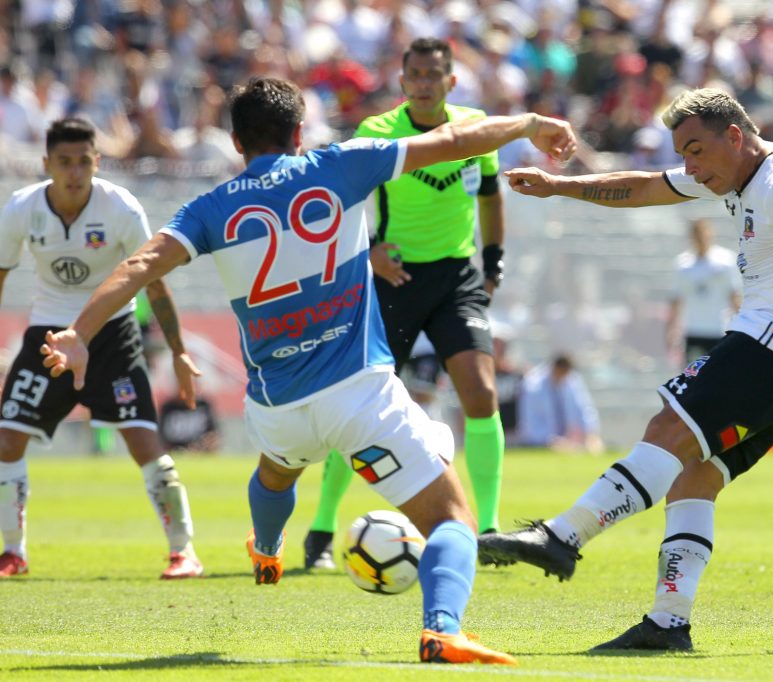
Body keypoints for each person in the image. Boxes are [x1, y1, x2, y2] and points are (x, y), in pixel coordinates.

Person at [41, 77, 575, 664]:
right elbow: (452, 139)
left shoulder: (210, 208)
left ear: (237, 143)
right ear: (299, 134)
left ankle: (267, 547)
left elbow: (142, 262)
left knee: (275, 472)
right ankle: (441, 629)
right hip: (358, 395)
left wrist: (79, 333)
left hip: (277, 408)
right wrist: (526, 124)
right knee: (452, 519)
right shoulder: (342, 164)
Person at [478, 88, 773, 652]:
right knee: (697, 477)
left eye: (695, 151)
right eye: (683, 154)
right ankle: (669, 624)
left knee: (668, 430)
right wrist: (557, 186)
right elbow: (644, 187)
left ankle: (561, 537)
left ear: (734, 136)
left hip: (772, 350)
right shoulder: (735, 173)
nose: (689, 167)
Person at [304, 38, 512, 572]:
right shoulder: (378, 133)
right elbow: (343, 201)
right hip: (395, 280)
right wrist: (368, 252)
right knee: (357, 410)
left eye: (433, 75)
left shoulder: (475, 129)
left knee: (482, 393)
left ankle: (486, 529)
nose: (423, 83)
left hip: (457, 277)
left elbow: (490, 195)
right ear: (402, 82)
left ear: (451, 82)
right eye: (414, 75)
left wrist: (493, 260)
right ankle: (323, 529)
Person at [0, 117, 204, 580]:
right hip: (48, 337)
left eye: (84, 162)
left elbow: (153, 282)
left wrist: (177, 349)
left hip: (113, 333)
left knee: (143, 440)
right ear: (47, 163)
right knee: (7, 438)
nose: (74, 173)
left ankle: (183, 551)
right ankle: (13, 552)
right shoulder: (20, 209)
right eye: (64, 163)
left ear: (97, 162)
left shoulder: (121, 208)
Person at [665, 218, 742, 367]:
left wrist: (741, 329)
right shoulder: (683, 265)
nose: (701, 238)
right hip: (693, 331)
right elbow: (676, 300)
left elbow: (734, 298)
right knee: (692, 378)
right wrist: (670, 331)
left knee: (719, 376)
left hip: (719, 330)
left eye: (704, 233)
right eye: (697, 234)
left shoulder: (725, 261)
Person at [516, 353, 603, 454]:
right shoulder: (533, 385)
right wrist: (551, 440)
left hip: (569, 441)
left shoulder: (572, 380)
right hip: (538, 442)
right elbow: (529, 423)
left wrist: (591, 434)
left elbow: (584, 408)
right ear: (554, 368)